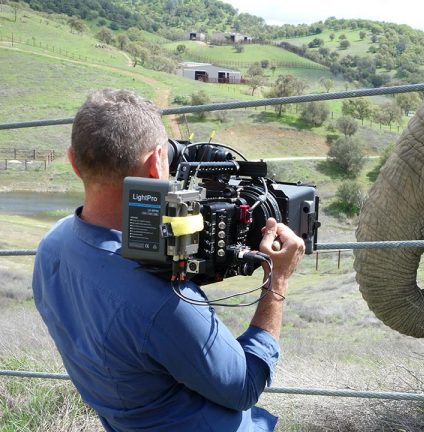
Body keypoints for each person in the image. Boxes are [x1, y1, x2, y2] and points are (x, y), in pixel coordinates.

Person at [32, 89, 304, 431]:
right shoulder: (164, 301)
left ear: (73, 161)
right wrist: (277, 279)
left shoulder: (51, 247)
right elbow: (245, 388)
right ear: (155, 164)